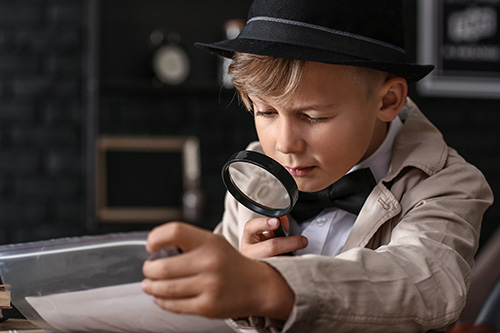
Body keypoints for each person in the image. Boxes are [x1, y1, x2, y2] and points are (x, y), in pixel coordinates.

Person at [141, 0, 494, 332]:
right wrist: (238, 295)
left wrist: (266, 286)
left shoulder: (449, 184)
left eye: (313, 116)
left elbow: (424, 283)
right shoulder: (254, 174)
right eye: (264, 111)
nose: (284, 144)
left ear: (387, 101)